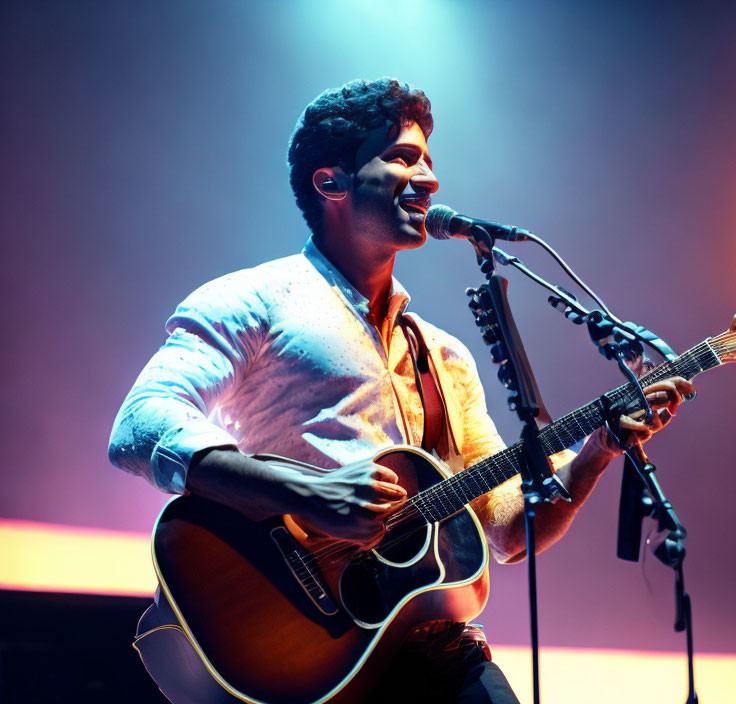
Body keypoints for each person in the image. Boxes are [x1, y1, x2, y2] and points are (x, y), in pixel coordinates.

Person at [109, 77, 694, 704]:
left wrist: (594, 455)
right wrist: (309, 493)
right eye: (403, 158)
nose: (430, 179)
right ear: (331, 182)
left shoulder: (443, 355)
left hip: (435, 644)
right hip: (310, 643)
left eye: (431, 162)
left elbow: (507, 529)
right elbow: (141, 424)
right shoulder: (255, 300)